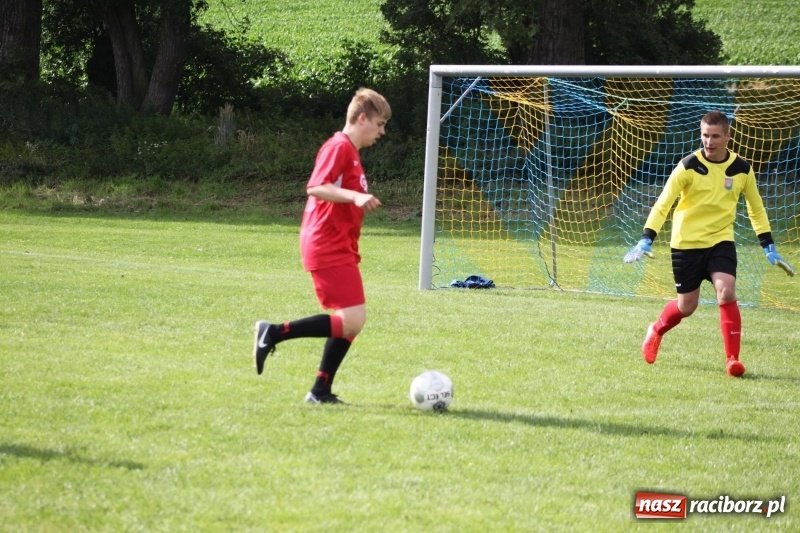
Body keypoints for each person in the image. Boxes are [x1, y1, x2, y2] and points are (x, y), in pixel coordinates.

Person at [624, 110, 795, 377]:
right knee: (686, 307)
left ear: (727, 136)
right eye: (705, 135)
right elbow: (663, 203)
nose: (709, 141)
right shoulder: (688, 166)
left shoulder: (741, 169)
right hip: (686, 244)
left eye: (715, 136)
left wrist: (768, 245)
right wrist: (647, 238)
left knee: (726, 290)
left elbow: (756, 208)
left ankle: (733, 360)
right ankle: (656, 330)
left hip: (720, 241)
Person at [252, 88, 391, 403]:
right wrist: (356, 197)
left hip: (339, 243)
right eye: (380, 123)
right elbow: (316, 186)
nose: (382, 132)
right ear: (362, 118)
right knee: (353, 320)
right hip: (326, 243)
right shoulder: (339, 147)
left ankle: (320, 391)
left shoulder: (351, 153)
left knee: (350, 323)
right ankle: (272, 332)